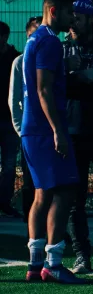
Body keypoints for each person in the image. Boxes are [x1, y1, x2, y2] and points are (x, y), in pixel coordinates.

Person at [21, 0, 84, 284]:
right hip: (46, 130)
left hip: (33, 129)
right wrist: (58, 131)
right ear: (54, 10)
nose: (74, 18)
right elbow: (43, 89)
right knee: (65, 190)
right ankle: (53, 263)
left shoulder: (35, 39)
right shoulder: (49, 42)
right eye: (70, 12)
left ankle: (35, 265)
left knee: (42, 193)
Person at [62, 0, 93, 274]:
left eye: (77, 17)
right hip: (73, 133)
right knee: (74, 200)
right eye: (70, 17)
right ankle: (82, 254)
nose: (71, 23)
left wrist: (88, 76)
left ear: (90, 18)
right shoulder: (60, 48)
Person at [8, 16, 41, 223]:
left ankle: (50, 225)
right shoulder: (20, 62)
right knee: (30, 181)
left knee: (51, 183)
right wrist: (21, 130)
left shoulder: (54, 58)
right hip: (30, 132)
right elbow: (14, 99)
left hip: (50, 131)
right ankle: (31, 224)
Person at [0, 20, 22, 217]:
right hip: (7, 119)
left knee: (9, 165)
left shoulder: (15, 59)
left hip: (8, 120)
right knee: (8, 164)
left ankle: (5, 202)